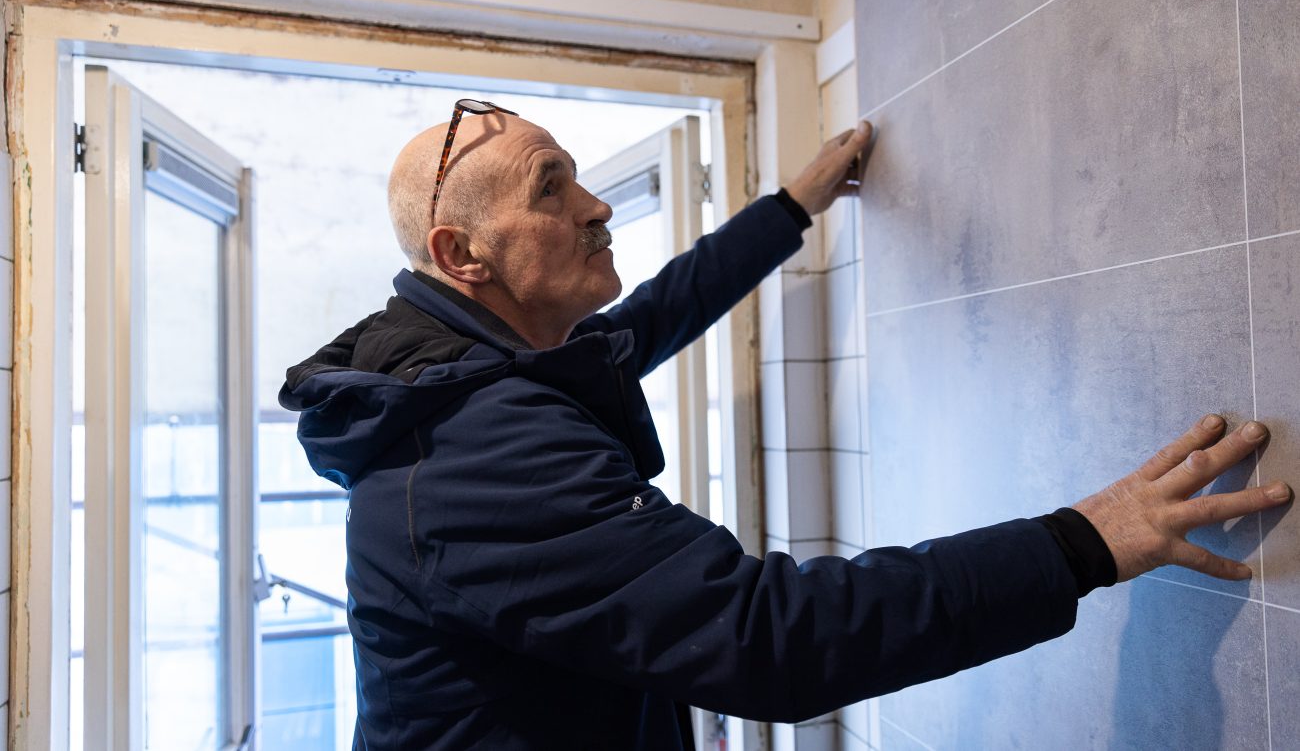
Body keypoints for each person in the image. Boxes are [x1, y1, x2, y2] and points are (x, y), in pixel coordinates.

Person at [280, 100, 1292, 750]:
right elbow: (772, 639)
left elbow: (655, 314)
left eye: (579, 175)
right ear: (463, 256)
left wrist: (791, 208)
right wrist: (1081, 543)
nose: (597, 207)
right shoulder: (472, 453)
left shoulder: (465, 370)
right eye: (552, 188)